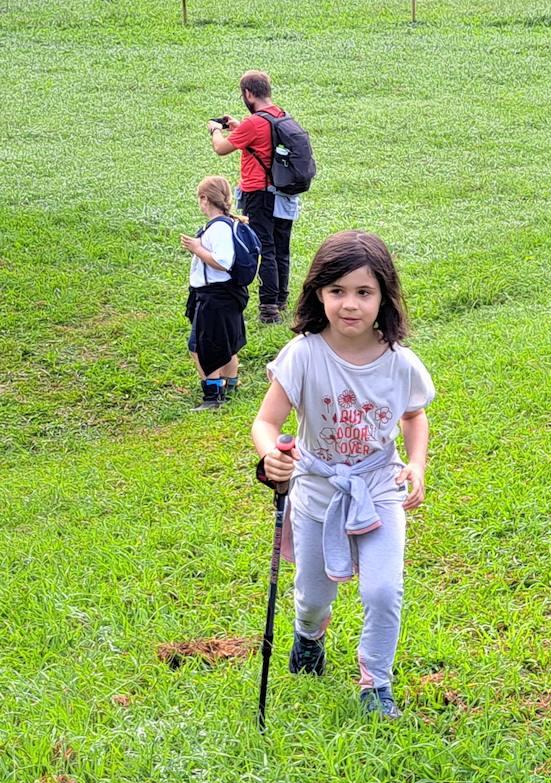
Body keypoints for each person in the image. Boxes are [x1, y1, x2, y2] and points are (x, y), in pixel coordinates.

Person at [252, 232, 435, 718]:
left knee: (383, 590)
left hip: (379, 486)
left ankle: (376, 683)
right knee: (314, 596)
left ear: (384, 297)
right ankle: (309, 634)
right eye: (337, 291)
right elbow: (266, 422)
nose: (349, 304)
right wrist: (271, 455)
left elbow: (414, 416)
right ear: (318, 293)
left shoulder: (400, 363)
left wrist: (416, 463)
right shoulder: (303, 354)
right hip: (317, 490)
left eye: (363, 292)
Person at [209, 70, 295, 325]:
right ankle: (280, 300)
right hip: (284, 192)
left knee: (265, 248)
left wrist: (215, 130)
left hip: (259, 194)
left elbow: (221, 148)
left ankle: (269, 310)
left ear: (248, 94)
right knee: (281, 248)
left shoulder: (253, 123)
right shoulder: (281, 115)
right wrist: (239, 128)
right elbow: (262, 141)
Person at [180, 175, 248, 410]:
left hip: (214, 296)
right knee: (227, 342)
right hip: (227, 293)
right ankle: (230, 384)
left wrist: (197, 248)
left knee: (200, 346)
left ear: (204, 199)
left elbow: (223, 262)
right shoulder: (228, 223)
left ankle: (213, 395)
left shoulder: (218, 228)